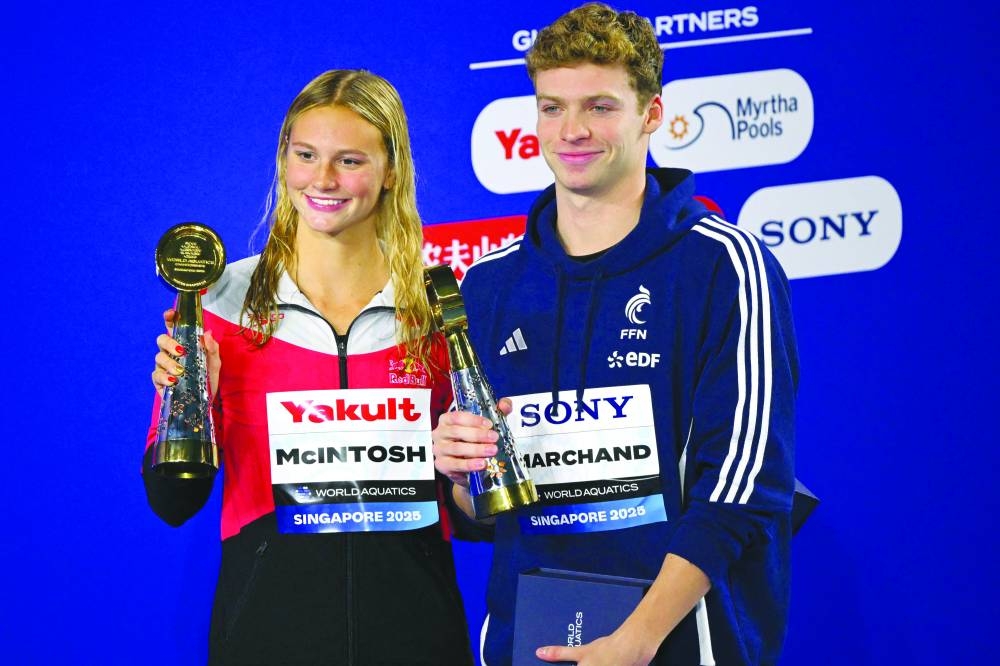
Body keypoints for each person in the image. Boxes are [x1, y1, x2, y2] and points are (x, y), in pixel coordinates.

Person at [432, 4, 799, 665]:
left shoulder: (723, 266)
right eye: (551, 107)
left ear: (652, 114)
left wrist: (637, 639)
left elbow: (744, 490)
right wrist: (461, 470)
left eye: (600, 106)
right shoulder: (488, 286)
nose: (571, 130)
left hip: (679, 643)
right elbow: (480, 513)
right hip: (530, 641)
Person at [144, 69, 474, 665]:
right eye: (306, 155)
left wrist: (464, 469)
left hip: (417, 634)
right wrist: (187, 409)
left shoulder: (441, 310)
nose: (322, 179)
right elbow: (173, 505)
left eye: (349, 160)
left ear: (391, 169)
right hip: (267, 633)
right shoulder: (219, 302)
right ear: (283, 161)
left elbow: (477, 517)